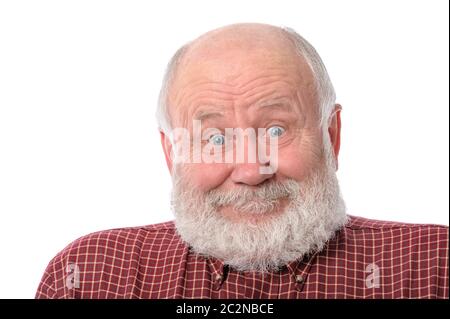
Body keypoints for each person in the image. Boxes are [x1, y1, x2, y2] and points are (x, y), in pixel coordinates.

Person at [36, 23, 448, 299]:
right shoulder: (88, 277)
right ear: (171, 153)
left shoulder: (435, 268)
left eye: (274, 131)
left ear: (331, 135)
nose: (251, 171)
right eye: (215, 139)